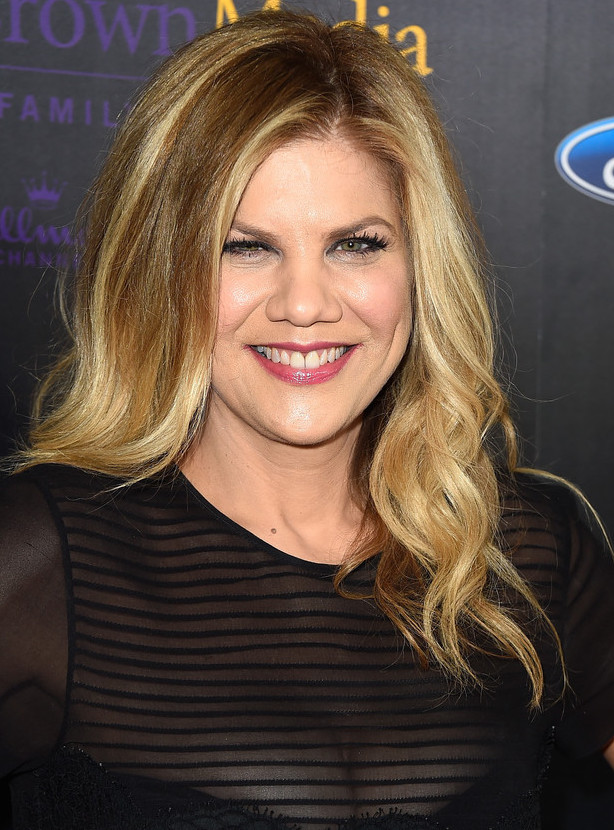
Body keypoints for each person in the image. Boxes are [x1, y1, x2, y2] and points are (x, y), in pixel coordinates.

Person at [1, 9, 613, 830]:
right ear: (162, 270)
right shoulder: (43, 562)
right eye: (244, 246)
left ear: (420, 264)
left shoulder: (528, 552)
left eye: (355, 244)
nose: (303, 304)